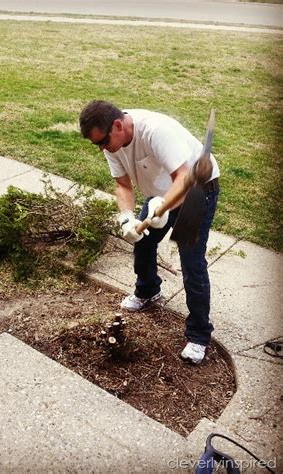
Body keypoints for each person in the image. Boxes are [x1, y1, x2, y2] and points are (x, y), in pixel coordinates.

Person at [79, 100, 220, 364]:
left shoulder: (156, 131)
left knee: (191, 261)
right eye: (95, 144)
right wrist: (126, 219)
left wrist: (164, 208)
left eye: (102, 142)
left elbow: (183, 177)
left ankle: (199, 335)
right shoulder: (113, 142)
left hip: (197, 190)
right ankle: (148, 291)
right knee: (142, 242)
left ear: (118, 125)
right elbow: (122, 184)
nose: (101, 149)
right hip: (159, 194)